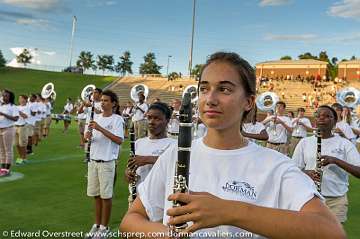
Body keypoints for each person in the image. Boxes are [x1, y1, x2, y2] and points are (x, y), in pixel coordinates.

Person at [120, 52, 345, 238]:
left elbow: (332, 232)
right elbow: (131, 221)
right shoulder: (174, 154)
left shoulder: (276, 165)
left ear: (248, 102)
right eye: (204, 88)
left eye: (224, 89)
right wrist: (168, 235)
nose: (210, 99)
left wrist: (229, 211)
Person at [292, 105, 360, 223]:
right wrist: (305, 173)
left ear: (334, 122)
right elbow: (293, 169)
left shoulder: (344, 144)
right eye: (318, 116)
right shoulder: (305, 142)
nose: (321, 118)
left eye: (327, 116)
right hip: (310, 198)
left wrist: (335, 160)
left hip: (335, 201)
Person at [84, 90, 124, 238]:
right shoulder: (95, 117)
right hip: (93, 160)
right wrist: (87, 136)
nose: (103, 102)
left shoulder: (117, 119)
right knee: (96, 195)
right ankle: (97, 224)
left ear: (114, 104)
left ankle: (104, 227)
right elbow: (88, 140)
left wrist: (100, 128)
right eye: (102, 100)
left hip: (107, 162)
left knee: (106, 196)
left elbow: (119, 140)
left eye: (106, 100)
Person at [125, 102, 176, 204]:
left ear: (167, 121)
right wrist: (128, 174)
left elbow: (175, 166)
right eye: (149, 118)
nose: (151, 122)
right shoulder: (139, 143)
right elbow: (130, 168)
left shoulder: (173, 144)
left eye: (157, 118)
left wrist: (147, 159)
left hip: (160, 200)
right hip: (138, 198)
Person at [0, 90, 19, 176]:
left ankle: (7, 169)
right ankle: (2, 168)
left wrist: (3, 114)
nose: (4, 97)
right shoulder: (1, 105)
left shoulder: (13, 107)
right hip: (0, 129)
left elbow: (16, 119)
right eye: (3, 95)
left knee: (8, 150)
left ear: (10, 97)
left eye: (6, 96)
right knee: (1, 150)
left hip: (8, 129)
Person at [14, 95, 30, 164]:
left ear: (25, 100)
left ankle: (24, 158)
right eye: (19, 98)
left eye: (21, 98)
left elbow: (25, 116)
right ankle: (20, 157)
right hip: (15, 126)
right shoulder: (17, 107)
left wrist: (19, 112)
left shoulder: (27, 107)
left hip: (22, 127)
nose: (20, 99)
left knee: (22, 144)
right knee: (17, 144)